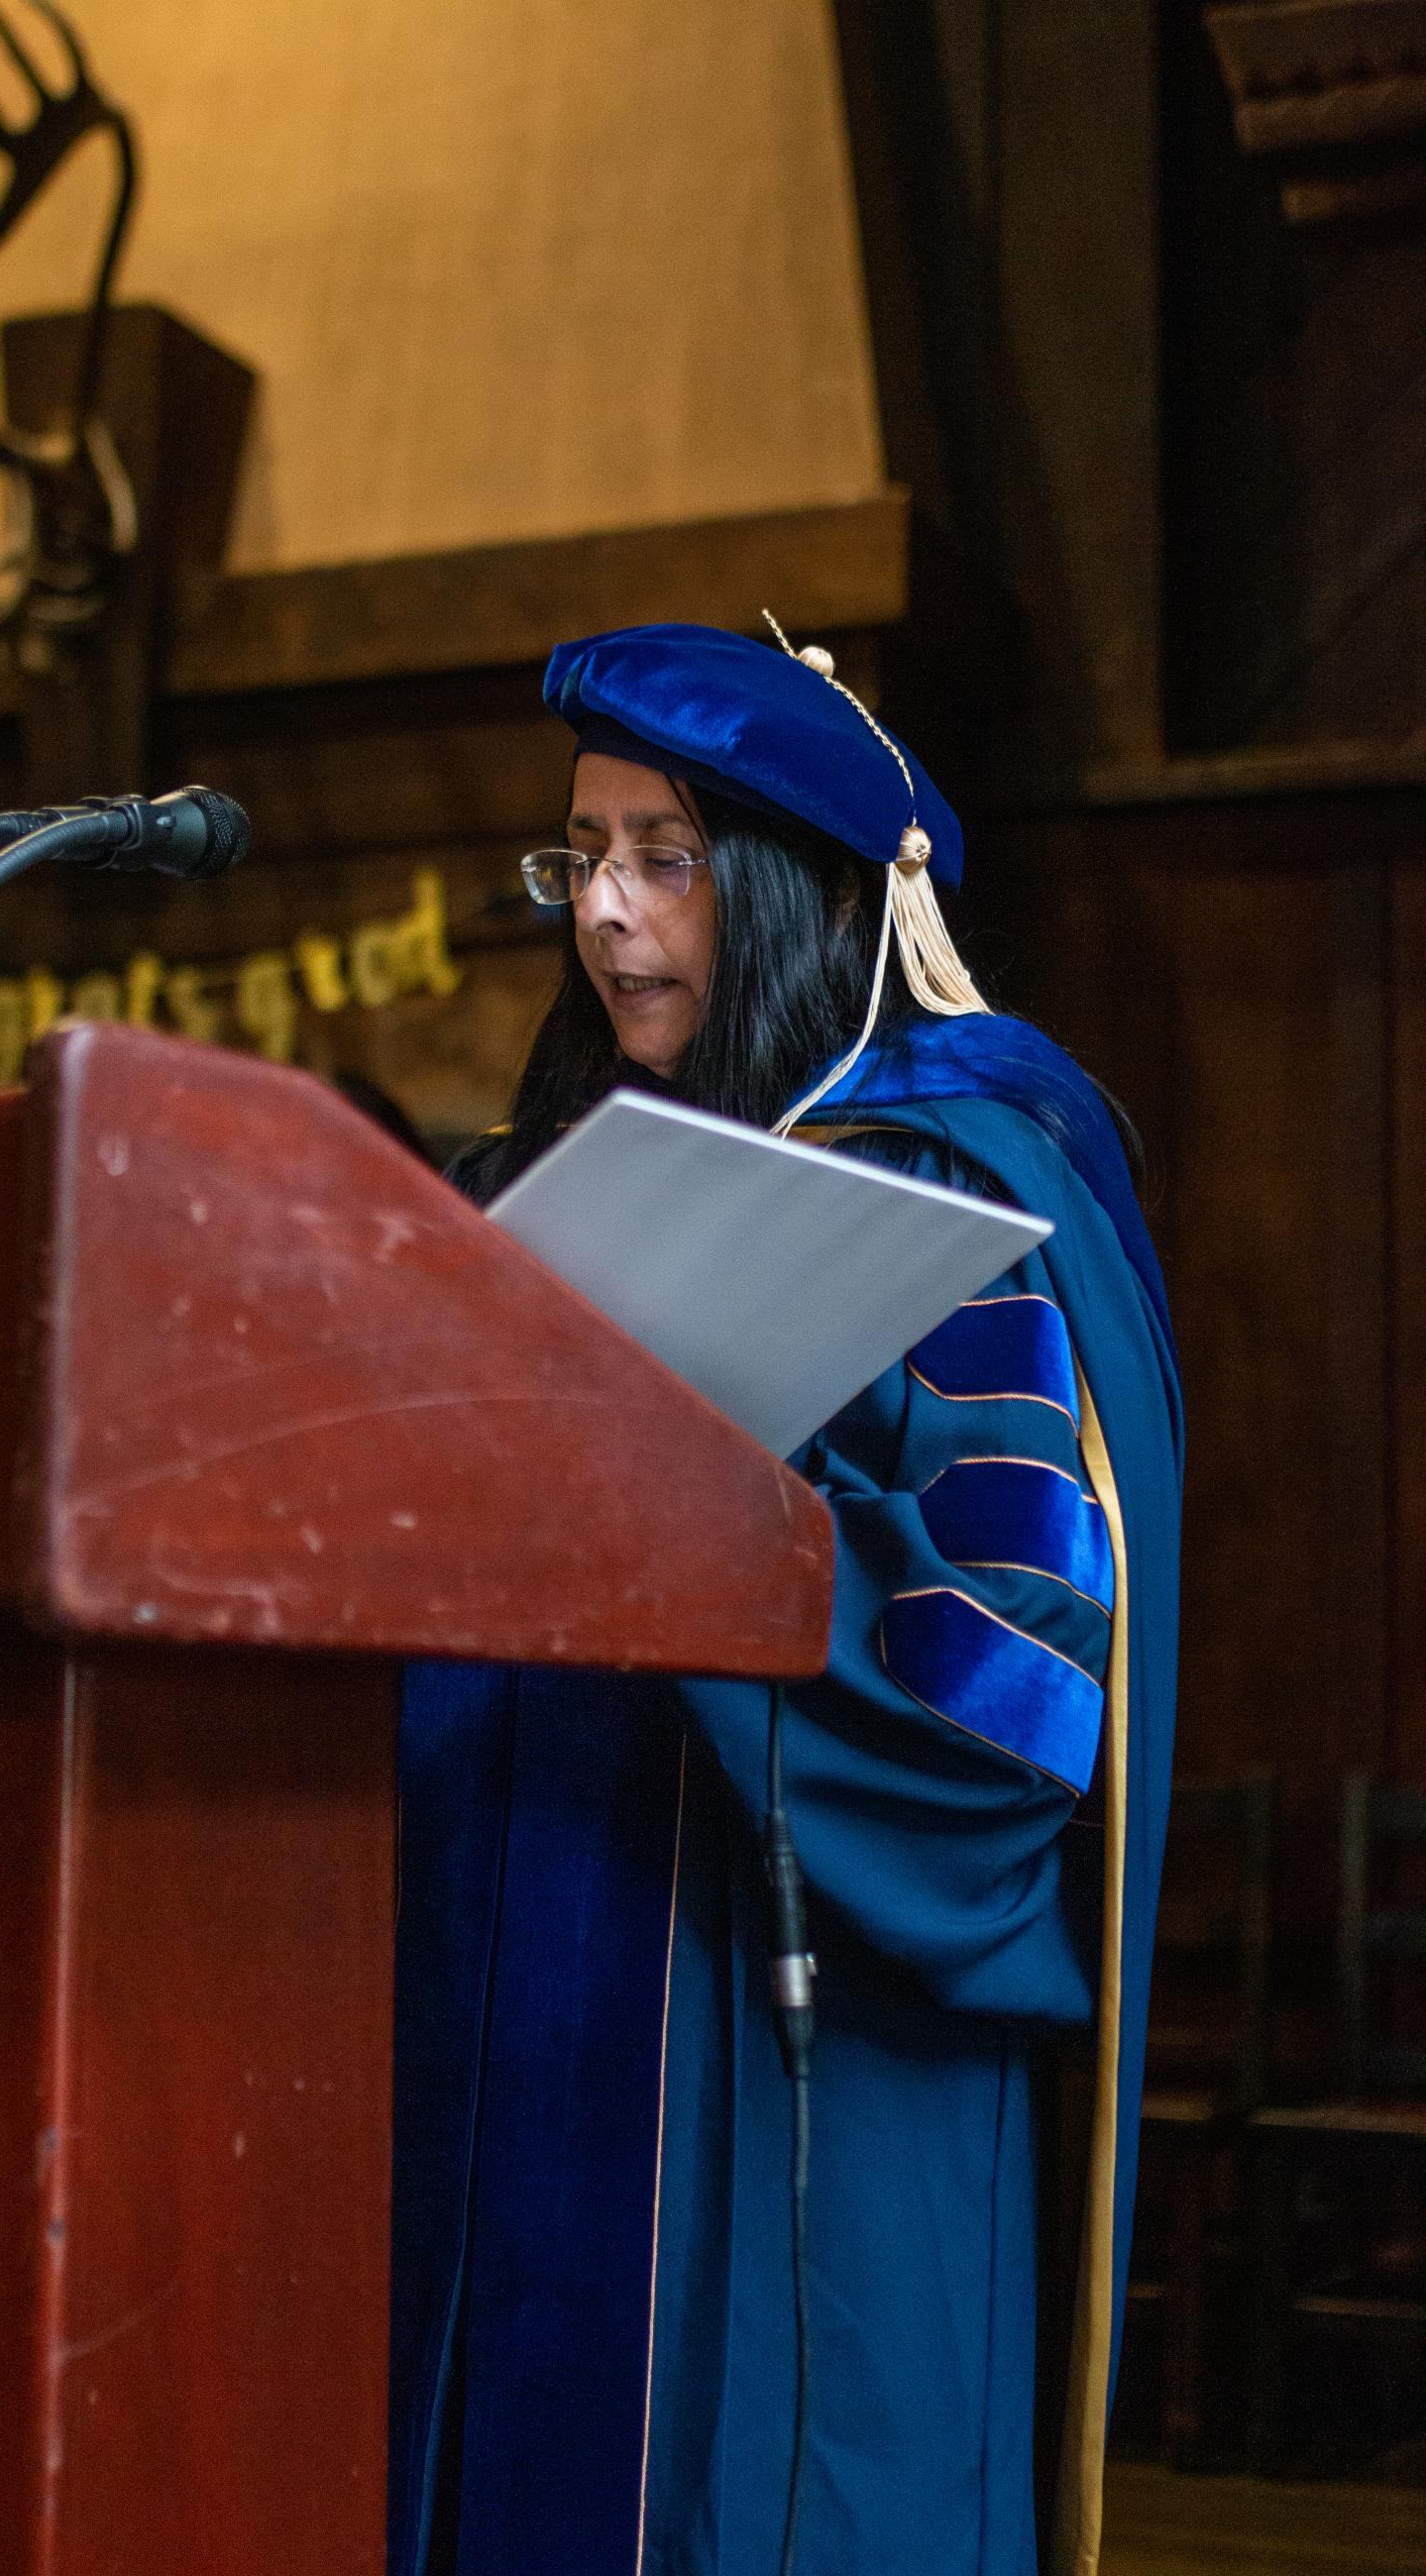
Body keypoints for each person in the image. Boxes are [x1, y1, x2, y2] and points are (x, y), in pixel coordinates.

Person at [389, 622, 1183, 2576]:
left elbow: (1011, 1673)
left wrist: (703, 1535)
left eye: (666, 854)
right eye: (581, 855)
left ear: (798, 887)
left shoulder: (944, 1196)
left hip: (794, 2047)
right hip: (535, 2016)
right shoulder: (555, 1183)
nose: (608, 911)